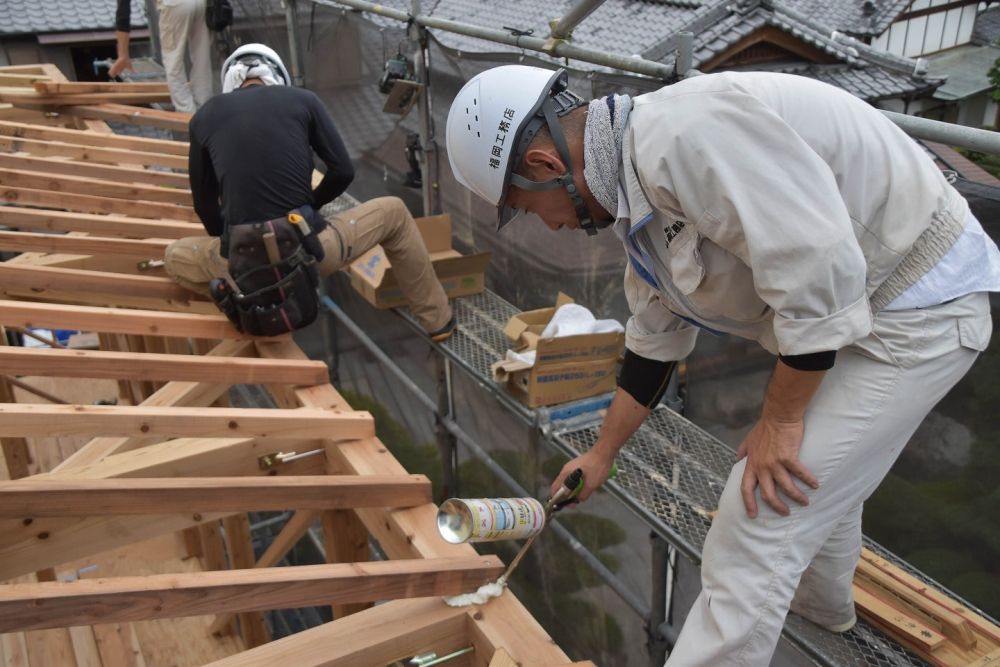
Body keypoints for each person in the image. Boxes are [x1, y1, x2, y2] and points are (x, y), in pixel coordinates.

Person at [445, 65, 1000, 665]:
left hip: (919, 306)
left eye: (529, 209)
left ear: (546, 167)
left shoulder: (687, 136)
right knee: (816, 479)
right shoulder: (640, 200)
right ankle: (824, 609)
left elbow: (819, 273)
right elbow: (652, 344)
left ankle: (784, 611)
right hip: (865, 308)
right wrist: (601, 454)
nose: (549, 224)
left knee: (759, 510)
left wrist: (780, 421)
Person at [164, 44, 454, 340]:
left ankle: (246, 296)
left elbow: (204, 205)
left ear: (230, 83)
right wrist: (309, 208)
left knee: (174, 257)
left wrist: (232, 244)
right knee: (394, 213)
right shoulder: (303, 100)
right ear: (277, 75)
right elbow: (342, 171)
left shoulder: (204, 117)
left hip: (243, 264)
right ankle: (438, 321)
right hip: (311, 252)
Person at [111, 0, 213, 113]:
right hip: (200, 3)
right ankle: (206, 110)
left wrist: (123, 55)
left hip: (175, 5)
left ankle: (188, 114)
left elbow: (123, 14)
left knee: (173, 63)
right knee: (202, 59)